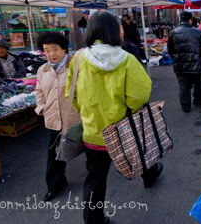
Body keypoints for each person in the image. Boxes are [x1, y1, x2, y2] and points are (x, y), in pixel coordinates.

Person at [65, 11, 161, 224]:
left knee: (94, 179)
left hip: (93, 132)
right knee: (139, 153)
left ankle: (94, 221)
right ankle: (150, 175)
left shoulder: (78, 58)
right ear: (113, 30)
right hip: (122, 129)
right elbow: (139, 97)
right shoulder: (127, 59)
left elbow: (71, 94)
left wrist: (88, 113)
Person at [35, 32, 79, 202]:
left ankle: (95, 179)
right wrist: (42, 108)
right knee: (53, 153)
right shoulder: (42, 70)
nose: (51, 54)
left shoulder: (76, 66)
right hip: (53, 118)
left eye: (55, 49)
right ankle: (55, 185)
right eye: (46, 50)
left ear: (64, 49)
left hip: (76, 118)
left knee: (87, 149)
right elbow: (39, 91)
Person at [167, 11, 201, 112]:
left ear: (181, 19)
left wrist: (176, 58)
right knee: (198, 82)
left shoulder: (172, 32)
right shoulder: (197, 32)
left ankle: (185, 106)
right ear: (190, 20)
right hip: (195, 62)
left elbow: (170, 49)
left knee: (183, 85)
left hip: (180, 64)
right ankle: (198, 100)